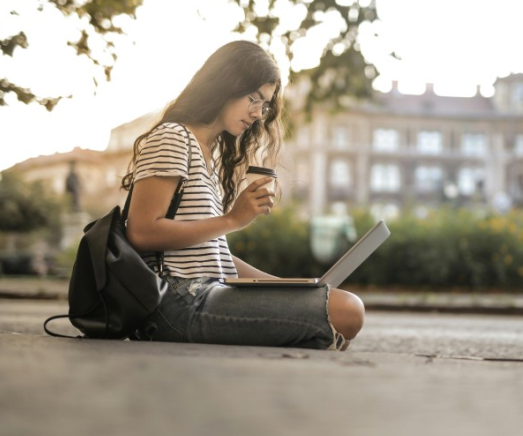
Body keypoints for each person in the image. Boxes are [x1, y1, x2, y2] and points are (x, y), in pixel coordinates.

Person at [122, 40, 364, 350]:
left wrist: (290, 288)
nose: (258, 113)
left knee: (339, 307)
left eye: (264, 105)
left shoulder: (208, 153)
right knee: (347, 311)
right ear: (225, 84)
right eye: (254, 98)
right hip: (175, 302)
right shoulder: (173, 136)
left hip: (205, 292)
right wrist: (233, 219)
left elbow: (212, 253)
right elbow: (141, 232)